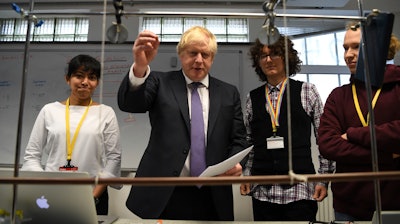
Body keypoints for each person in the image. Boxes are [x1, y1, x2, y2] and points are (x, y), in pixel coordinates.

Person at [117, 26, 248, 221]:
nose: (198, 60)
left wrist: (238, 163)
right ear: (181, 54)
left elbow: (239, 138)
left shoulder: (228, 93)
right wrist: (140, 66)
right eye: (192, 53)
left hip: (212, 194)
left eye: (205, 54)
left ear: (212, 58)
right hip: (165, 192)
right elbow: (131, 104)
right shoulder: (160, 81)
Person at [239, 36, 335, 221]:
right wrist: (247, 177)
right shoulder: (253, 98)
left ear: (287, 57)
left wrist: (324, 179)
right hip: (262, 192)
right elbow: (249, 144)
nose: (268, 60)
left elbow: (324, 139)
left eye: (274, 54)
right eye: (263, 56)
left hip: (299, 191)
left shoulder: (307, 91)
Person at [317, 21, 400, 221]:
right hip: (349, 205)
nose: (347, 55)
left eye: (356, 47)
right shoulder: (338, 96)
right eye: (345, 48)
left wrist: (354, 134)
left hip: (395, 201)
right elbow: (327, 144)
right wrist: (389, 154)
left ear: (379, 47)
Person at [22, 54, 122, 215]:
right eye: (79, 76)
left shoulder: (105, 113)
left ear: (97, 83)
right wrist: (43, 189)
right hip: (50, 195)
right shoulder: (49, 111)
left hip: (94, 195)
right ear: (67, 79)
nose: (85, 82)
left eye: (92, 77)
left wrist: (93, 196)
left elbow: (114, 158)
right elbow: (32, 155)